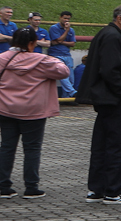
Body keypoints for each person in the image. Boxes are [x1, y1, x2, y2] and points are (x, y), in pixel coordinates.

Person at [74, 4, 121, 204]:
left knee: (101, 145)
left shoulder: (107, 34)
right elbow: (110, 70)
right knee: (117, 145)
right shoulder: (113, 37)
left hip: (105, 99)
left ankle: (97, 189)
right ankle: (113, 191)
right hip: (114, 99)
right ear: (120, 18)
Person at [0, 26, 69, 198]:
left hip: (6, 109)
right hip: (33, 112)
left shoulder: (2, 58)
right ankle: (31, 187)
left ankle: (3, 186)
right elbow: (63, 71)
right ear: (33, 43)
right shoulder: (42, 60)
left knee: (7, 147)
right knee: (32, 149)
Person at [44, 11, 75, 77]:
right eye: (65, 18)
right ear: (60, 18)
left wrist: (61, 42)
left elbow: (72, 43)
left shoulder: (71, 30)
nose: (66, 20)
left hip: (67, 54)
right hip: (56, 54)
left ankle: (71, 87)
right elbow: (59, 39)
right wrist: (66, 30)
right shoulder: (54, 28)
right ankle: (71, 88)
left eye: (68, 19)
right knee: (63, 76)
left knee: (70, 76)